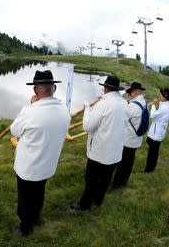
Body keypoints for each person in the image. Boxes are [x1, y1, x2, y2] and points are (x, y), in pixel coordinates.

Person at [10, 70, 70, 236]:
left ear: (35, 91)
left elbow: (14, 131)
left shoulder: (30, 111)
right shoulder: (64, 110)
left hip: (29, 166)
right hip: (48, 164)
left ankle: (25, 227)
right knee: (39, 192)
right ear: (54, 89)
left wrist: (31, 105)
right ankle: (36, 217)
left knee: (25, 197)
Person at [71, 75, 128, 211]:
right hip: (115, 152)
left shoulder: (103, 104)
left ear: (106, 88)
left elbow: (87, 126)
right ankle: (98, 201)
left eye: (104, 88)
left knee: (91, 179)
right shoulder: (124, 103)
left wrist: (87, 109)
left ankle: (85, 205)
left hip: (99, 152)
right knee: (106, 179)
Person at [111, 82, 147, 189]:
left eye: (131, 92)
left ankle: (117, 183)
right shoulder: (143, 102)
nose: (130, 95)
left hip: (128, 139)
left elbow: (121, 119)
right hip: (136, 139)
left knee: (122, 163)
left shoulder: (132, 106)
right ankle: (124, 181)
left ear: (136, 92)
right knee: (129, 161)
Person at [144, 88, 169, 173]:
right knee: (151, 147)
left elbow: (152, 115)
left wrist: (153, 105)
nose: (159, 96)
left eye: (161, 94)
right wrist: (156, 103)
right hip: (156, 130)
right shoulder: (164, 103)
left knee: (153, 152)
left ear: (165, 95)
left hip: (157, 133)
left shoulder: (166, 108)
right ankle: (151, 167)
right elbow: (159, 105)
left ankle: (149, 169)